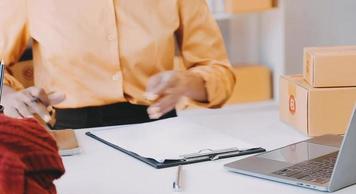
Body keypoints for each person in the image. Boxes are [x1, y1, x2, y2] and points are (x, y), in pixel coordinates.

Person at [0, 0, 235, 129]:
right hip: (70, 132)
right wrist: (9, 96)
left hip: (158, 130)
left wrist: (188, 82)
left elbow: (219, 71)